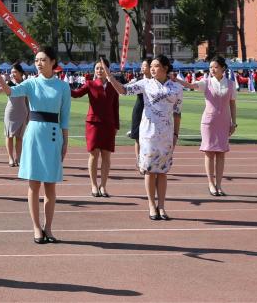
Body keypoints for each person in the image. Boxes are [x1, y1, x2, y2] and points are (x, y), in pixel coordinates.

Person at [0, 48, 70, 244]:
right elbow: (11, 91)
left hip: (54, 135)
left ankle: (48, 228)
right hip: (34, 134)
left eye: (43, 60)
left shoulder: (63, 87)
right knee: (34, 184)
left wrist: (65, 142)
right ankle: (36, 227)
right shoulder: (31, 83)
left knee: (50, 185)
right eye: (36, 60)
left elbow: (65, 118)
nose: (39, 63)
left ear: (53, 62)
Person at [104, 54, 183, 221]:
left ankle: (162, 206)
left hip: (166, 134)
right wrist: (110, 77)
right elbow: (124, 90)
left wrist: (176, 134)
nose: (152, 69)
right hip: (148, 134)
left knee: (163, 172)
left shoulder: (176, 88)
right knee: (149, 170)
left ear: (165, 68)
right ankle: (152, 205)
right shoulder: (145, 84)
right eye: (151, 66)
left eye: (156, 66)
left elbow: (177, 113)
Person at [178, 55, 236, 196]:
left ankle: (219, 185)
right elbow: (191, 86)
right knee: (209, 152)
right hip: (209, 122)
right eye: (210, 67)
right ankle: (211, 183)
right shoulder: (206, 82)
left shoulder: (230, 84)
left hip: (224, 121)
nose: (212, 69)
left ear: (223, 68)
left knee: (221, 153)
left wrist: (233, 122)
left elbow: (232, 104)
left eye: (215, 67)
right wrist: (177, 80)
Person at [70, 57, 120, 197]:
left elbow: (115, 107)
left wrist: (116, 125)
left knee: (106, 156)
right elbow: (76, 94)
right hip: (93, 124)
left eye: (102, 68)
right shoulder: (90, 84)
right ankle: (93, 185)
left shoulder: (113, 86)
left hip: (108, 124)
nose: (99, 70)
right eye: (97, 68)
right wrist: (62, 86)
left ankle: (103, 186)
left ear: (108, 70)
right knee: (94, 154)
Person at [126, 57, 154, 168]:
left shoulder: (156, 81)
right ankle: (139, 160)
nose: (142, 67)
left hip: (151, 111)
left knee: (150, 137)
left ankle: (149, 159)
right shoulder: (138, 80)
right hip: (139, 108)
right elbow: (126, 89)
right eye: (142, 66)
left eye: (144, 66)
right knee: (137, 137)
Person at [3, 63, 28, 167]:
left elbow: (27, 101)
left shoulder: (26, 84)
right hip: (10, 113)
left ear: (20, 73)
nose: (13, 74)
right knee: (9, 136)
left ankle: (18, 157)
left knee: (19, 137)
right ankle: (10, 158)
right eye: (12, 72)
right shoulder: (9, 83)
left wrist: (29, 115)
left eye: (15, 72)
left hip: (22, 112)